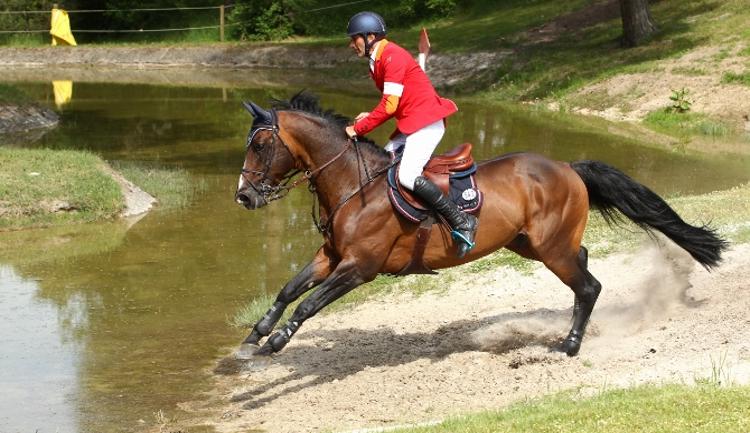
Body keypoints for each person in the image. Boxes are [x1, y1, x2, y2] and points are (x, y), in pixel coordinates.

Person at [344, 11, 478, 258]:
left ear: (369, 36)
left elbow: (391, 106)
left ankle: (462, 221)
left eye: (355, 39)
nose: (352, 45)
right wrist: (369, 114)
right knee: (380, 165)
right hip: (411, 123)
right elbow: (392, 100)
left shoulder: (391, 56)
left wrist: (358, 128)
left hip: (426, 122)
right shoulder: (378, 60)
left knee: (406, 175)